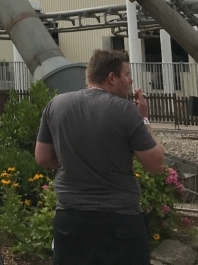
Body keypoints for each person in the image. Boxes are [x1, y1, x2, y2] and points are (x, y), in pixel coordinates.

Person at [34, 49, 165, 265]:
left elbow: (42, 157)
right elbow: (156, 165)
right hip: (120, 222)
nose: (131, 80)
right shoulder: (125, 111)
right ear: (111, 78)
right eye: (127, 74)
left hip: (70, 220)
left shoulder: (56, 105)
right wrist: (145, 119)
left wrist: (73, 161)